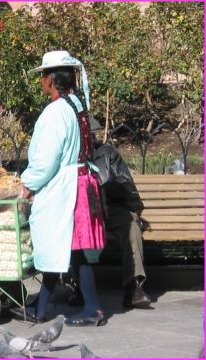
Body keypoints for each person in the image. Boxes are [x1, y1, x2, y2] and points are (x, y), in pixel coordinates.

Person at [12, 50, 106, 326]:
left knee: (61, 243)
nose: (41, 81)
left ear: (51, 79)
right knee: (71, 247)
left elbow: (46, 158)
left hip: (67, 187)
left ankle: (91, 307)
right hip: (80, 181)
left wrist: (29, 184)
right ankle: (42, 308)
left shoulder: (55, 112)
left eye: (43, 75)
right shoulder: (76, 105)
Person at [67, 134, 152, 309]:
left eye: (88, 134)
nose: (86, 138)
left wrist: (103, 188)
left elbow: (125, 183)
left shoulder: (107, 153)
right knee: (76, 230)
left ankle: (133, 287)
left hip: (111, 206)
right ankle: (80, 287)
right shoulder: (69, 157)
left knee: (131, 229)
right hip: (83, 210)